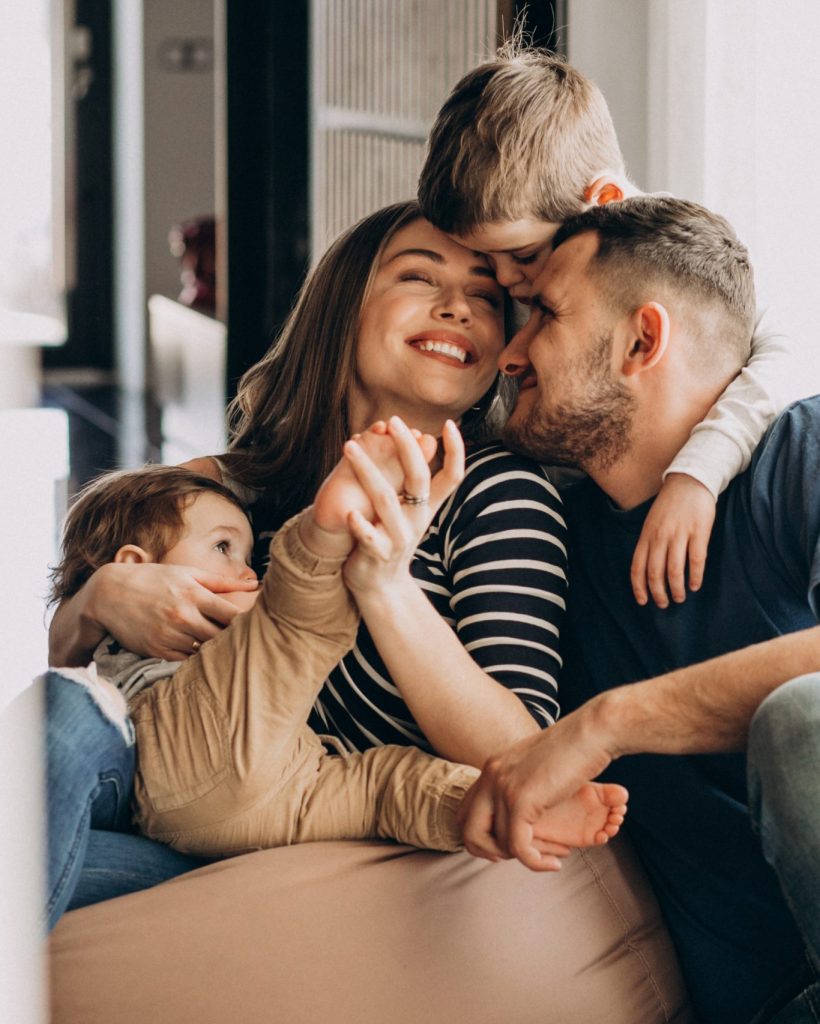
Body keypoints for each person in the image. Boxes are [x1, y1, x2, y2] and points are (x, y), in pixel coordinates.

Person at [45, 202, 571, 923]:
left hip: (333, 845)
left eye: (484, 297)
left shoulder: (496, 490)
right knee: (59, 735)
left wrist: (385, 587)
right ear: (343, 306)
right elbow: (82, 673)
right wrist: (97, 599)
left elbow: (521, 753)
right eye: (421, 277)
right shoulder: (235, 488)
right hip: (171, 821)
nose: (457, 309)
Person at [458, 196, 820, 1024]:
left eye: (543, 313)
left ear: (643, 341)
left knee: (800, 720)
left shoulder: (799, 455)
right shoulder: (545, 547)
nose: (509, 353)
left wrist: (606, 723)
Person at [46, 444, 628, 873]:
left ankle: (497, 811)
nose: (248, 570)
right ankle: (322, 540)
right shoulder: (253, 482)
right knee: (293, 622)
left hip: (286, 783)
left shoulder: (500, 489)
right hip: (177, 774)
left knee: (387, 789)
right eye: (225, 548)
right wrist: (100, 597)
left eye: (249, 553)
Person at [417, 43, 806, 608]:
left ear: (602, 201)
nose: (508, 284)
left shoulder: (679, 264)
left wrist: (695, 475)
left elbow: (787, 353)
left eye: (522, 255)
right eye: (486, 267)